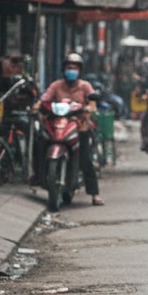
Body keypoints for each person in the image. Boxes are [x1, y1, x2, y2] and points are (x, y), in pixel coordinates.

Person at [34, 53, 102, 205]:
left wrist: (89, 109)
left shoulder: (85, 86)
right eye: (69, 68)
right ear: (64, 69)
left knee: (85, 159)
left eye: (75, 68)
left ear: (79, 70)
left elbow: (92, 102)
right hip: (57, 125)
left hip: (79, 126)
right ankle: (37, 176)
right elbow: (45, 99)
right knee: (40, 145)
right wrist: (38, 105)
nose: (71, 70)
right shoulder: (56, 85)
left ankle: (94, 194)